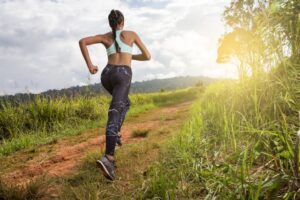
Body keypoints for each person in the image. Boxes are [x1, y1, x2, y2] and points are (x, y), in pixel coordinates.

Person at [78, 9, 151, 181]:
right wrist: (130, 57)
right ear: (122, 22)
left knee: (125, 104)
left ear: (110, 24)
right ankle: (109, 158)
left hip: (107, 75)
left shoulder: (105, 37)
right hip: (122, 75)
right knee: (115, 111)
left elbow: (82, 41)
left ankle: (116, 133)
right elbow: (147, 56)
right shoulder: (131, 34)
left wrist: (90, 66)